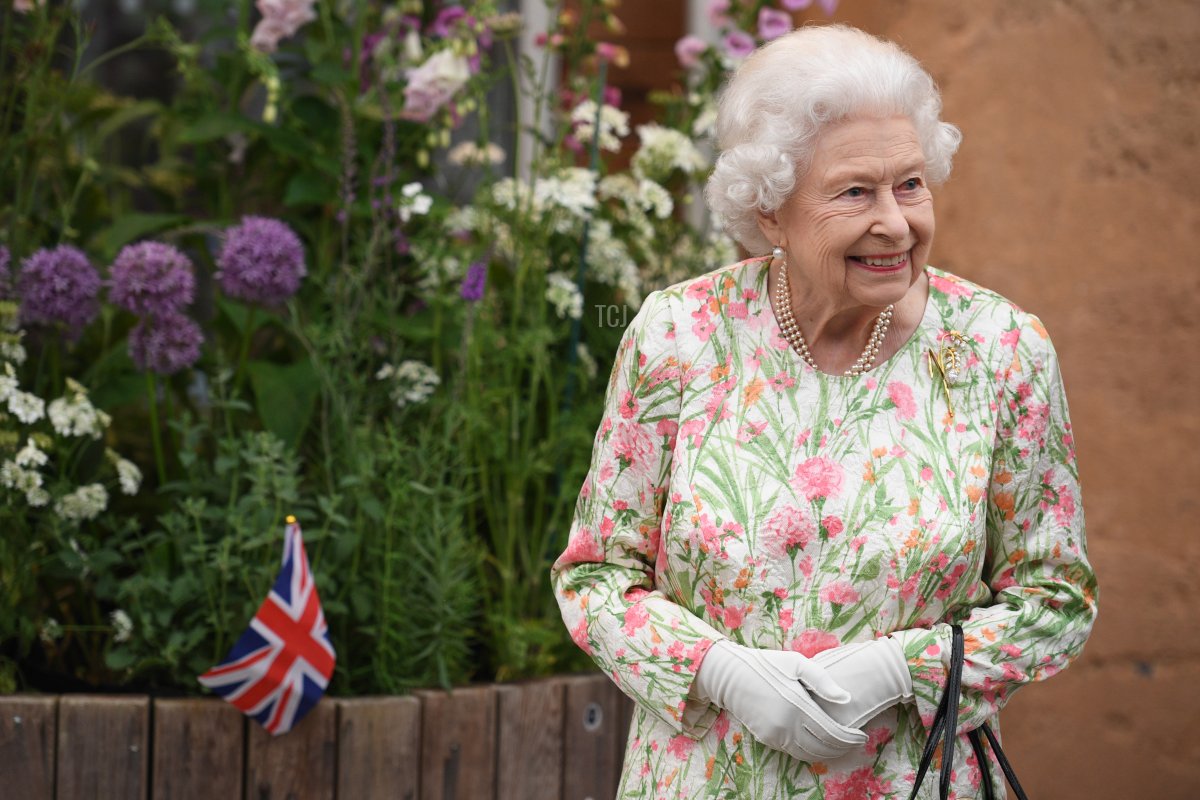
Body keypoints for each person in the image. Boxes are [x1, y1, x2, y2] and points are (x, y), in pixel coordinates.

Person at [551, 23, 1097, 799]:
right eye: (855, 192)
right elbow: (597, 577)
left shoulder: (1000, 349)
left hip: (914, 780)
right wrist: (720, 672)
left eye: (911, 184)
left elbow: (1057, 599)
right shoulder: (679, 335)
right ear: (771, 211)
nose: (897, 223)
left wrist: (903, 669)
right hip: (709, 777)